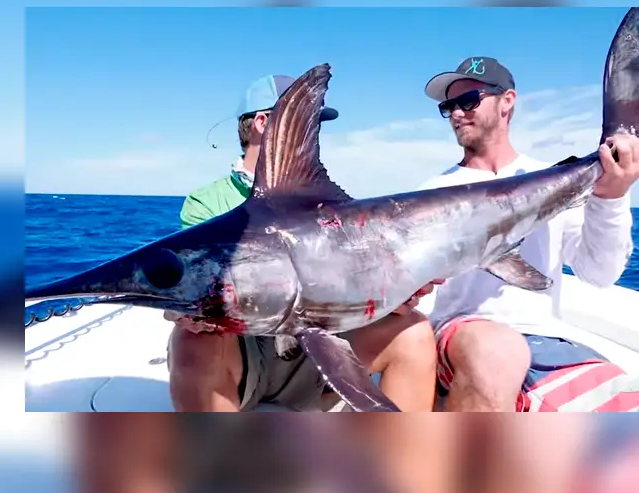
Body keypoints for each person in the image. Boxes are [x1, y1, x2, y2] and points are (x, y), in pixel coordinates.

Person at [165, 73, 441, 412]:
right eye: (304, 120)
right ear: (263, 123)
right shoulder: (206, 203)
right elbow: (195, 287)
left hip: (323, 351)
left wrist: (393, 295)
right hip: (245, 357)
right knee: (190, 342)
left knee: (413, 331)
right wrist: (190, 311)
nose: (313, 131)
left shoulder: (329, 206)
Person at [415, 56, 639, 412]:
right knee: (493, 352)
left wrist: (612, 196)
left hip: (547, 342)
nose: (456, 113)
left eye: (468, 101)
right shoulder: (432, 193)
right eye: (448, 106)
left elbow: (599, 273)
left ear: (507, 101)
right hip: (464, 334)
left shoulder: (553, 179)